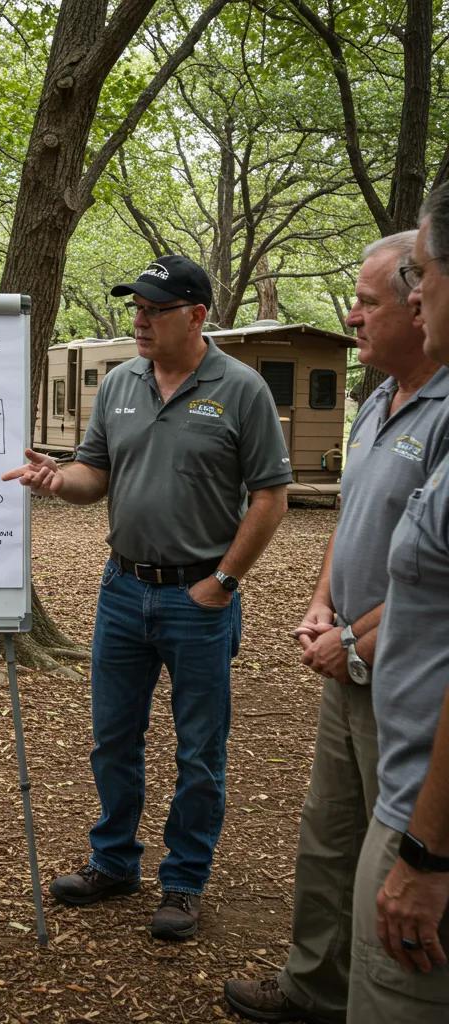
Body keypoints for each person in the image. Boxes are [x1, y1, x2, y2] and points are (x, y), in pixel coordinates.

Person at [4, 255, 290, 940]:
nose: (138, 318)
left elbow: (271, 497)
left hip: (199, 599)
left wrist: (222, 583)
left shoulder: (242, 389)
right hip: (122, 588)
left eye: (153, 309)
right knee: (113, 739)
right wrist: (54, 480)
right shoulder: (121, 384)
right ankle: (115, 862)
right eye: (135, 306)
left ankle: (185, 881)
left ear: (195, 316)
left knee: (199, 750)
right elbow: (92, 478)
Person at [224, 231, 449, 1023]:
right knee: (329, 841)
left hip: (410, 684)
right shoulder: (374, 405)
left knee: (391, 859)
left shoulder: (446, 412)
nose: (352, 316)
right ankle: (313, 989)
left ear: (418, 306)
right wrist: (323, 606)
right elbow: (352, 525)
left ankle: (375, 1000)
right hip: (347, 669)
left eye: (366, 301)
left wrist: (358, 639)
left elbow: (435, 585)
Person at [344, 184, 449, 1022]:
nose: (417, 294)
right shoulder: (375, 402)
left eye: (426, 272)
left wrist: (425, 850)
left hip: (425, 805)